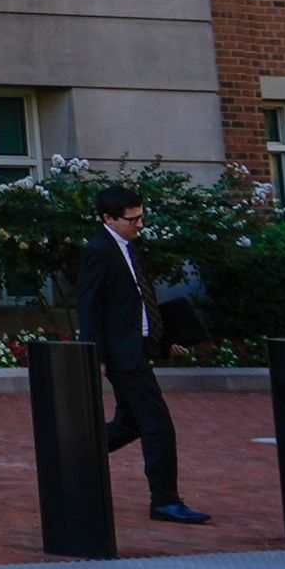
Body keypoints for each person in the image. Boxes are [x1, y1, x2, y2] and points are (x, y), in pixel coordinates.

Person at [76, 186, 207, 525]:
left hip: (136, 348)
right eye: (131, 219)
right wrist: (96, 356)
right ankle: (164, 500)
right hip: (123, 355)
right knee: (157, 425)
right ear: (108, 218)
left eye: (141, 217)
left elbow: (137, 304)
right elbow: (90, 308)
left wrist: (163, 341)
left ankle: (72, 453)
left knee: (131, 423)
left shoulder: (127, 247)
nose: (139, 225)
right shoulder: (99, 250)